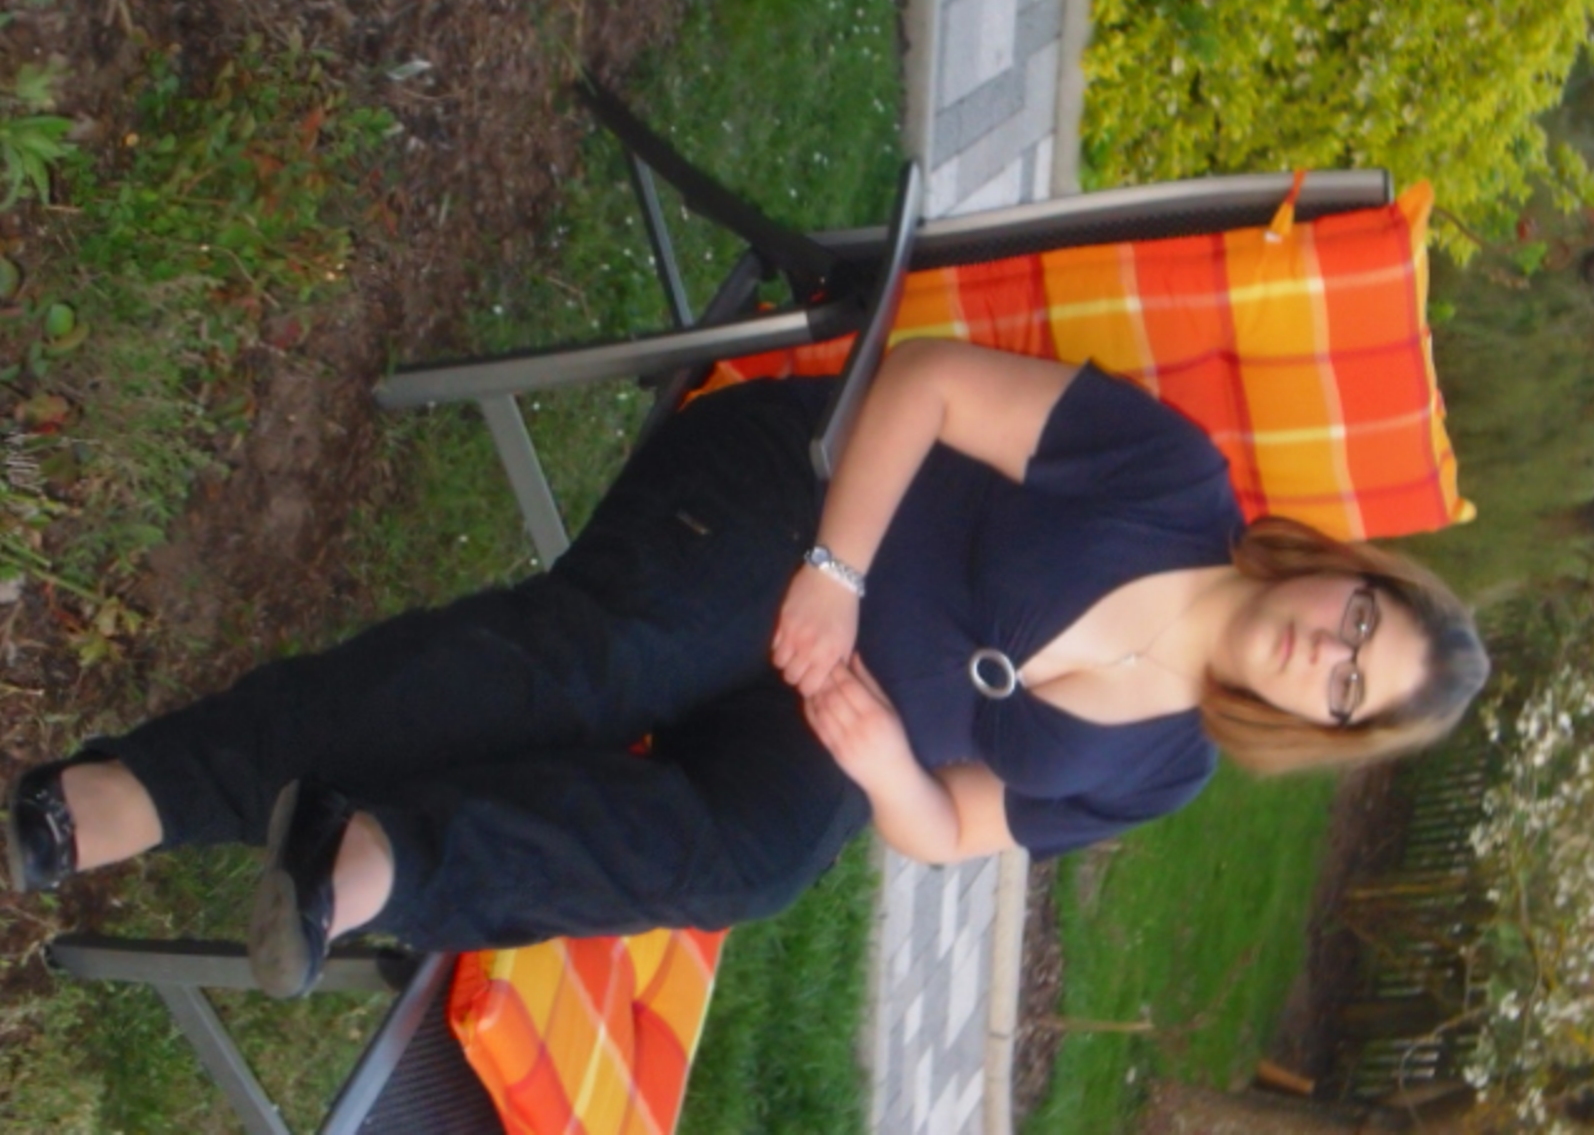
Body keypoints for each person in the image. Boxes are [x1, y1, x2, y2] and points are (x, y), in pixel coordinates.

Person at [4, 341, 1489, 998]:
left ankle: (370, 858)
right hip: (799, 503)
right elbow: (927, 384)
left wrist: (880, 761)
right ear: (1344, 574)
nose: (1329, 652)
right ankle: (143, 790)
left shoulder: (1162, 773)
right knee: (608, 664)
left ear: (1323, 728)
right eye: (1362, 621)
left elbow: (952, 829)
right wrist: (835, 578)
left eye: (1348, 689)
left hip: (829, 713)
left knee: (763, 860)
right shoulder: (1172, 483)